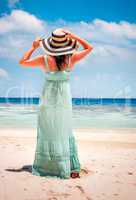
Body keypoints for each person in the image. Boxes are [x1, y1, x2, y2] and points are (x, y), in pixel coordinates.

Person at [19, 28, 93, 179]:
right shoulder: (71, 58)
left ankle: (48, 165)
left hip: (48, 99)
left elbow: (22, 62)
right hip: (64, 99)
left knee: (48, 130)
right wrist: (74, 36)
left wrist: (33, 47)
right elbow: (89, 47)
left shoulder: (44, 59)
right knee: (64, 129)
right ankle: (70, 167)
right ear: (66, 44)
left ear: (51, 45)